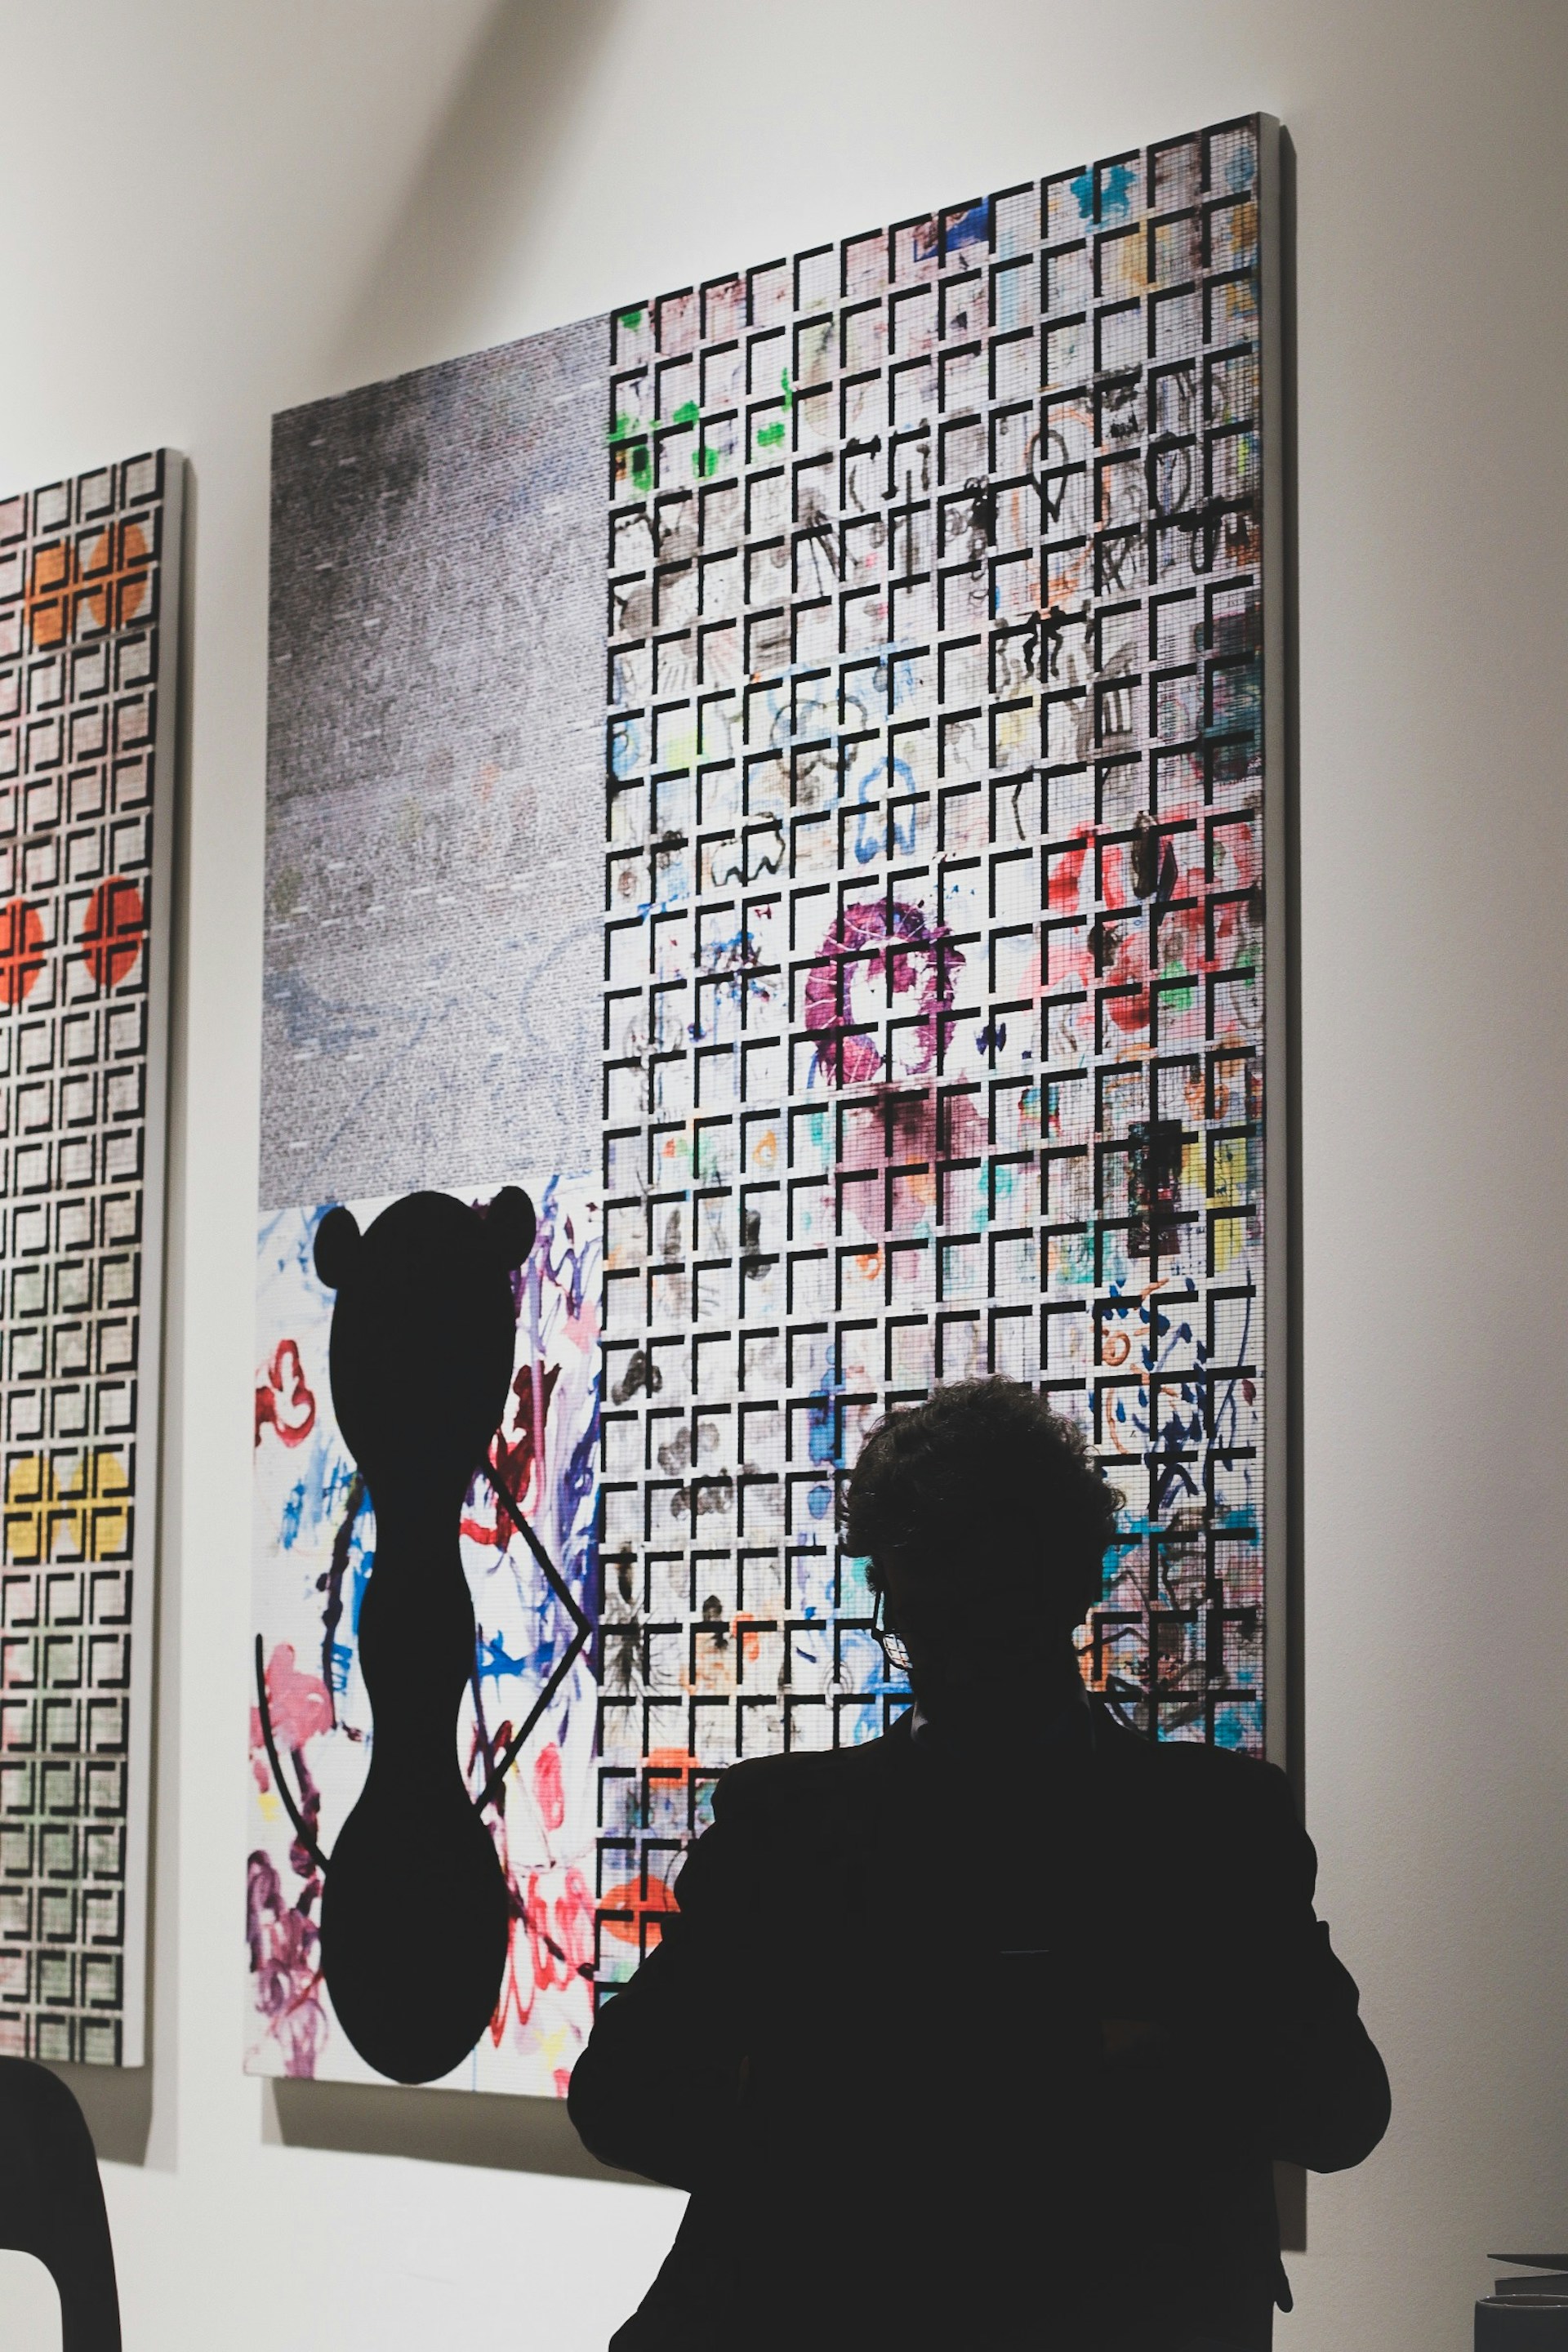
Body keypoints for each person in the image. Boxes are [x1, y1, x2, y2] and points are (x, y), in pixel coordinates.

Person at [568, 1380, 1390, 2350]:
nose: (937, 1632)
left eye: (973, 1594)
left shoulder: (1215, 1825)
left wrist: (873, 2097)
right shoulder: (785, 1827)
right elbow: (622, 2094)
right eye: (927, 1598)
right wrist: (1087, 2063)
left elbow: (1340, 2108)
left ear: (1066, 1582)